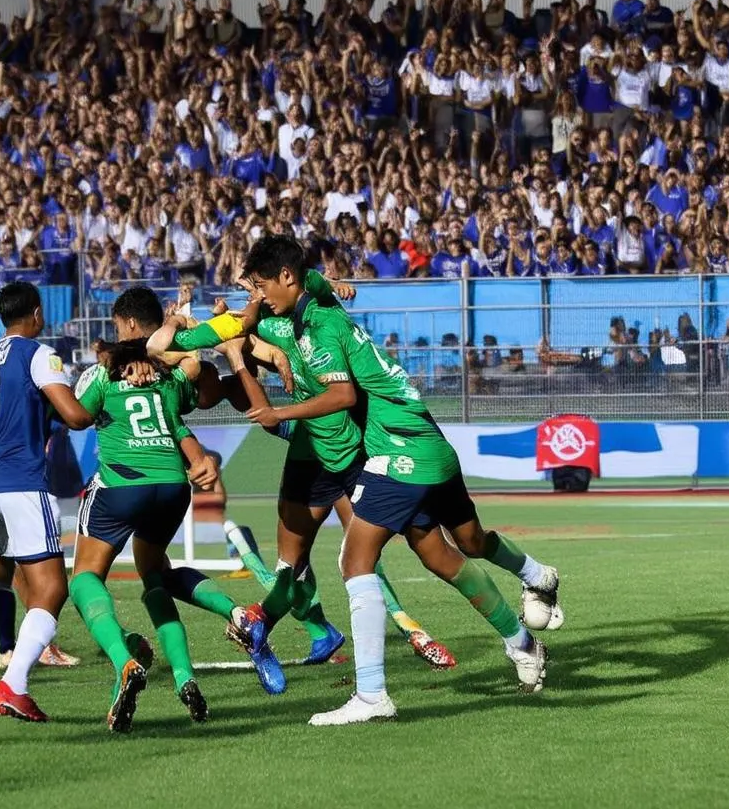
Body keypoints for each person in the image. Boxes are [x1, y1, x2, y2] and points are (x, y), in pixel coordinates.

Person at [238, 237, 562, 726]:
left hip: (398, 448)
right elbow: (298, 292)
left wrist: (277, 403)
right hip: (429, 439)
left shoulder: (319, 327)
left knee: (355, 559)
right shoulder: (312, 304)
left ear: (287, 279)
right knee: (457, 546)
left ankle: (372, 694)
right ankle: (532, 601)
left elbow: (343, 394)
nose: (259, 296)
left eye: (263, 286)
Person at [151, 273, 457, 674]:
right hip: (307, 451)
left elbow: (303, 299)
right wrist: (210, 333)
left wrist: (327, 284)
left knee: (364, 554)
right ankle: (302, 629)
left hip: (346, 450)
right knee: (294, 565)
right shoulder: (239, 346)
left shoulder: (281, 326)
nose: (254, 293)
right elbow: (265, 409)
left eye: (257, 285)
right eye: (251, 287)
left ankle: (408, 629)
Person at [70, 286, 282, 732]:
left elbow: (76, 413)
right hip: (172, 485)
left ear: (127, 324)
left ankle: (124, 661)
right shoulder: (171, 374)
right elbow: (192, 385)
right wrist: (183, 326)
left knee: (86, 577)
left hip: (122, 486)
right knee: (157, 575)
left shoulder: (103, 373)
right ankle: (194, 665)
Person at [0, 282, 96, 723]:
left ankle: (7, 649)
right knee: (53, 588)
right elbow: (77, 416)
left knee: (1, 578)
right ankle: (14, 683)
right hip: (22, 484)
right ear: (37, 313)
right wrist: (98, 402)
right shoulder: (38, 353)